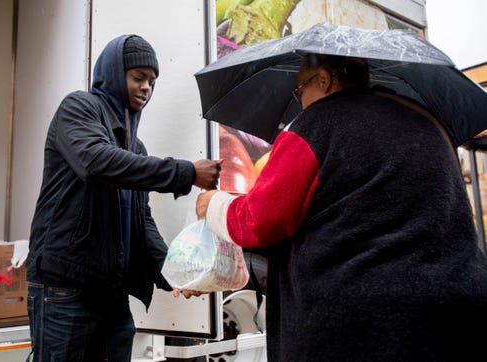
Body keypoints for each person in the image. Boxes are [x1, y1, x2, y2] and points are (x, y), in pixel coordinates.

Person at [196, 54, 487, 361]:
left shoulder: (317, 125)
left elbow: (259, 221)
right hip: (457, 313)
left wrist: (214, 204)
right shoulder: (429, 124)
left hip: (362, 324)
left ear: (324, 79)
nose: (300, 102)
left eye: (300, 90)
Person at [26, 34, 220, 361]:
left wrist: (176, 272)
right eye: (138, 77)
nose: (146, 87)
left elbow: (140, 223)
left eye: (152, 81)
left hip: (111, 295)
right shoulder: (78, 108)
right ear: (115, 75)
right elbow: (96, 162)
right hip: (65, 290)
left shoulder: (136, 147)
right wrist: (185, 173)